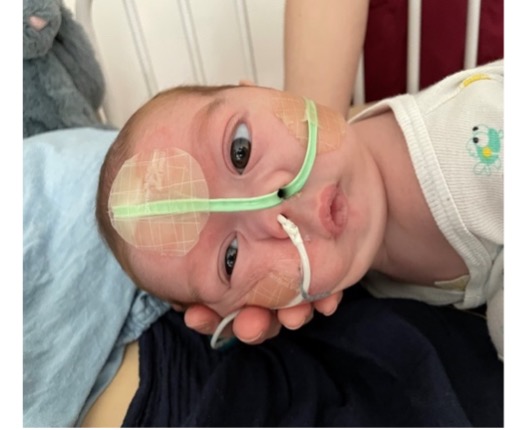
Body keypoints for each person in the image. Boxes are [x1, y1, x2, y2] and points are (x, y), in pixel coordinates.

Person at [95, 59, 503, 358]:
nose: (273, 207)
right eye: (230, 258)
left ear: (266, 90)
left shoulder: (477, 136)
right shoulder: (370, 276)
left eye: (240, 151)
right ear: (231, 311)